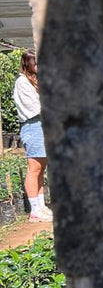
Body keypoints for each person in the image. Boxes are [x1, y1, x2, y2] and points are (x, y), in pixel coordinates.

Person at [13, 51, 51, 222]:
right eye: (35, 64)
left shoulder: (34, 80)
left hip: (42, 126)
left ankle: (41, 206)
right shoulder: (22, 82)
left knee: (41, 169)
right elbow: (35, 107)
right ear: (27, 64)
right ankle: (34, 211)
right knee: (34, 168)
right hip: (33, 126)